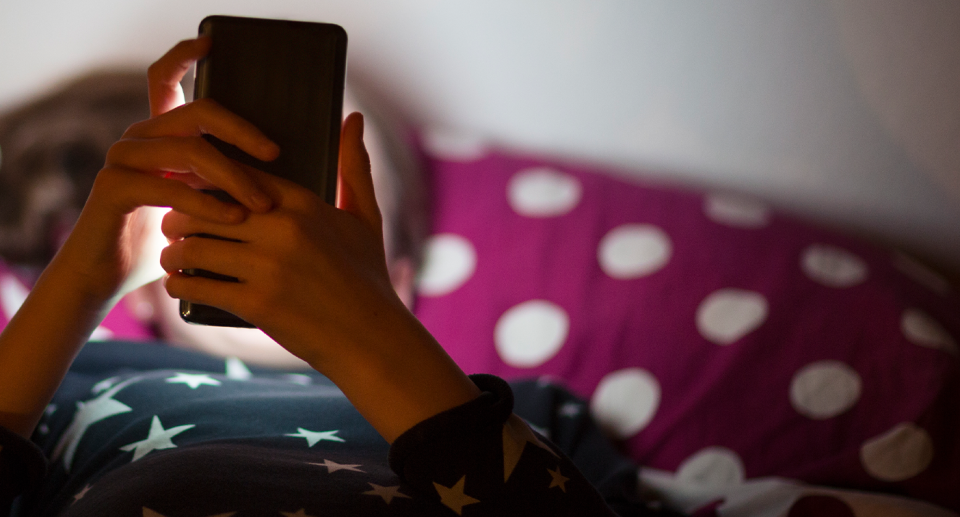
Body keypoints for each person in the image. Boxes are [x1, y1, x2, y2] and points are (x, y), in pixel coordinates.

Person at [0, 38, 666, 516]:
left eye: (320, 204)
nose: (273, 218)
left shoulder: (528, 413)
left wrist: (373, 338)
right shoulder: (68, 383)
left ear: (397, 279)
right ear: (149, 283)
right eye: (224, 190)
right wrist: (78, 285)